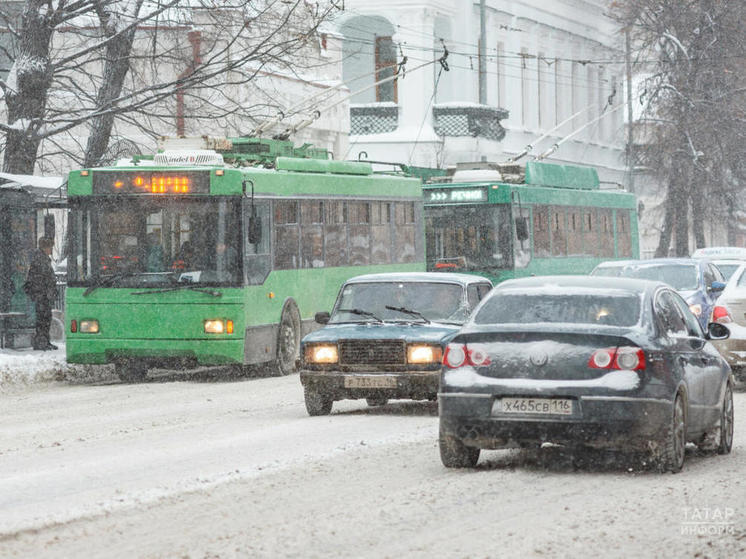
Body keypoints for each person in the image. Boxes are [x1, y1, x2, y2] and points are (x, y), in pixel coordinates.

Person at [24, 237, 57, 351]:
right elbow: (41, 278)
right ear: (45, 248)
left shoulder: (42, 259)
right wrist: (45, 291)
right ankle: (41, 342)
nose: (51, 250)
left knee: (45, 318)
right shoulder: (40, 260)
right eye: (50, 247)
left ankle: (44, 341)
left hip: (43, 294)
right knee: (43, 319)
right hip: (42, 295)